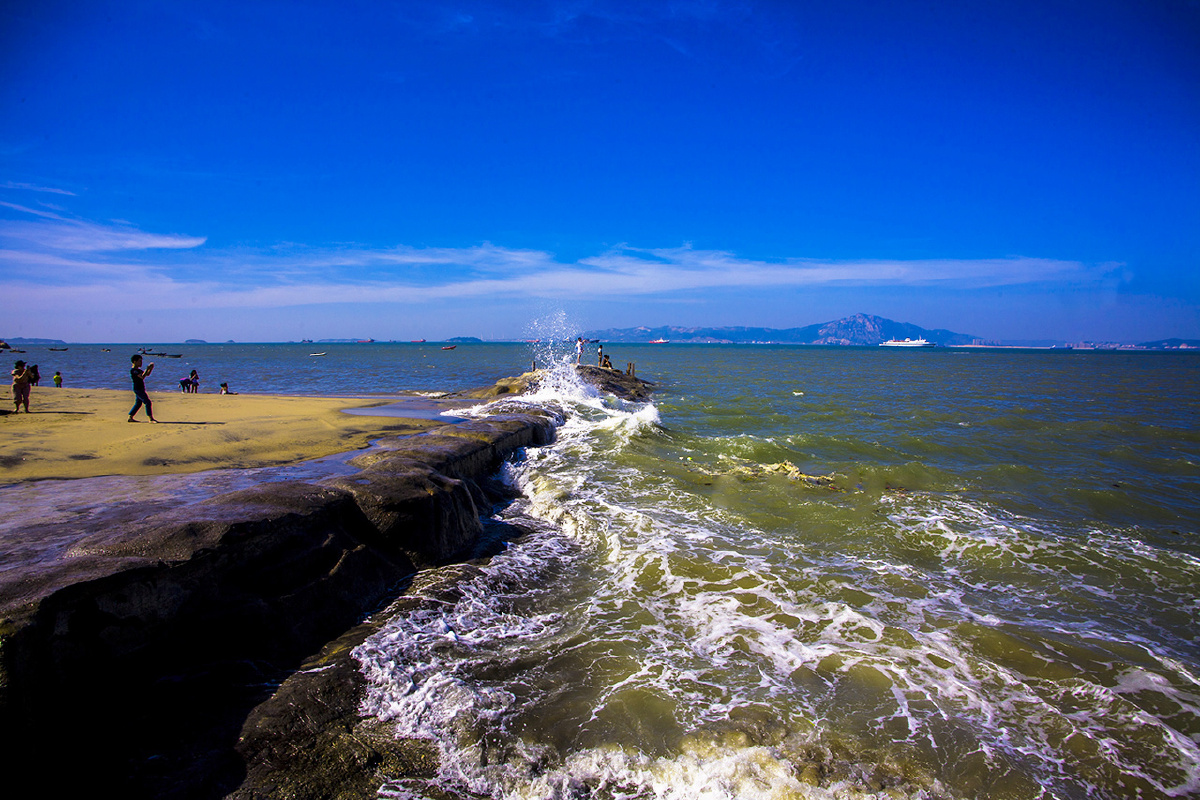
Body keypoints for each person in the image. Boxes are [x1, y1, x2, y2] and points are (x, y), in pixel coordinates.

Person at [128, 354, 158, 422]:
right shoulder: (133, 370)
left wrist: (150, 368)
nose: (141, 363)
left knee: (138, 403)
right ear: (134, 362)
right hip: (137, 389)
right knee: (147, 402)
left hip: (141, 388)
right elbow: (142, 377)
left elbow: (147, 374)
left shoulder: (139, 370)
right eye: (139, 361)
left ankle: (130, 417)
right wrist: (147, 368)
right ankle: (151, 419)